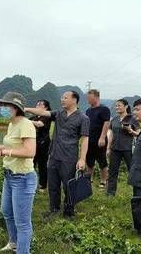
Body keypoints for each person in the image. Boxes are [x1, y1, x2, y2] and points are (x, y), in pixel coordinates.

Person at [0, 92, 37, 254]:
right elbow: (14, 145)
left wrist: (2, 153)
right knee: (6, 211)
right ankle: (13, 243)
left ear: (15, 108)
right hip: (9, 175)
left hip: (22, 178)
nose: (2, 108)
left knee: (22, 222)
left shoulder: (26, 124)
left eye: (5, 105)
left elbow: (29, 152)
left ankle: (23, 251)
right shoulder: (11, 124)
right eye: (1, 105)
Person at [25, 91, 90, 219]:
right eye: (61, 97)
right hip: (54, 156)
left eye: (65, 97)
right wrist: (26, 109)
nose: (62, 99)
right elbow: (43, 113)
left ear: (74, 100)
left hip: (69, 157)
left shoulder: (83, 118)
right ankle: (54, 209)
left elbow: (85, 139)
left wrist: (82, 159)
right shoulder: (59, 114)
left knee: (68, 185)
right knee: (53, 185)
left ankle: (69, 210)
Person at [106, 99, 140, 196]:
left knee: (132, 171)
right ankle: (110, 193)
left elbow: (139, 133)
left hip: (128, 149)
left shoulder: (132, 119)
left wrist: (130, 131)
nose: (117, 107)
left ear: (126, 106)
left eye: (119, 105)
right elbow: (110, 135)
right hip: (115, 149)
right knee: (112, 171)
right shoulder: (114, 120)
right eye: (116, 106)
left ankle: (137, 193)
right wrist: (108, 148)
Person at [85, 89, 111, 188]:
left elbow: (106, 123)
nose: (88, 100)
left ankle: (103, 181)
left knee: (102, 160)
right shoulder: (88, 110)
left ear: (96, 97)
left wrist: (102, 137)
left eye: (89, 98)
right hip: (89, 140)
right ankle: (89, 180)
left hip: (100, 140)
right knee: (89, 161)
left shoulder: (104, 109)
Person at [29, 100, 52, 193]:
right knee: (31, 163)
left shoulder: (46, 116)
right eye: (37, 103)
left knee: (42, 164)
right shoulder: (34, 117)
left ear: (46, 108)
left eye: (40, 104)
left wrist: (27, 121)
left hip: (43, 143)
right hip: (33, 143)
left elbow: (39, 124)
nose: (37, 105)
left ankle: (42, 185)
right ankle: (31, 183)